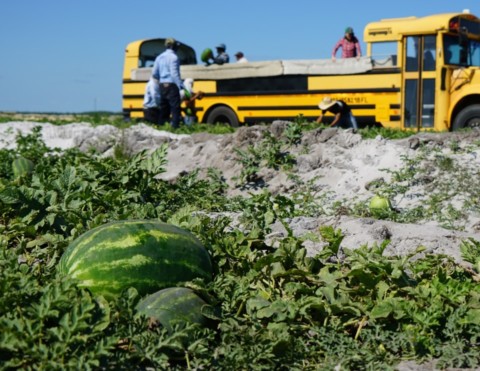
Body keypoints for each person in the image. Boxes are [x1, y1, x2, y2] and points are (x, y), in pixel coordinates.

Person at [152, 38, 184, 129]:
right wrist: (180, 85)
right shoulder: (174, 57)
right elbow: (174, 74)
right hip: (172, 85)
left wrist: (161, 79)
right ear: (174, 46)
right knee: (175, 108)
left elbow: (154, 73)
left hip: (162, 85)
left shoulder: (159, 57)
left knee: (164, 109)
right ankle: (175, 128)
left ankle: (161, 127)